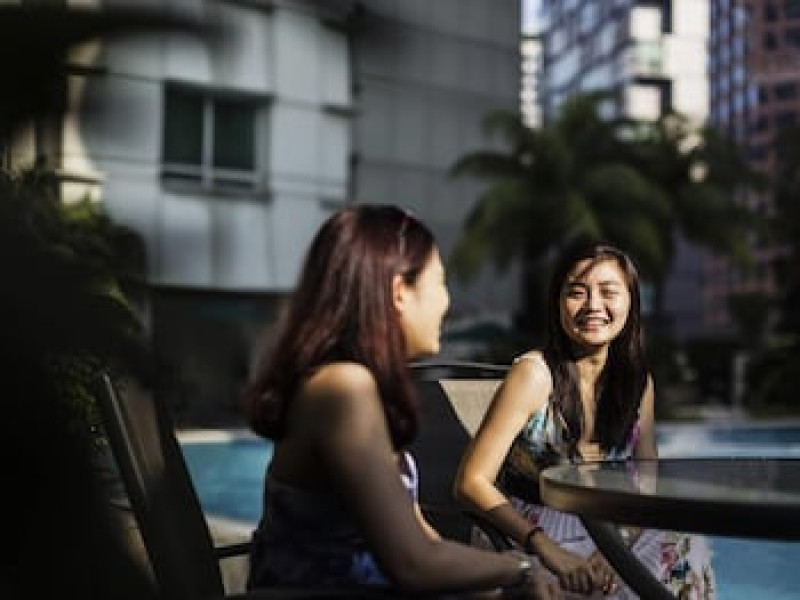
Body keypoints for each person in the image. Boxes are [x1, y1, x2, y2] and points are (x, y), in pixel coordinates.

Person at [243, 204, 559, 599]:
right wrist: (521, 569)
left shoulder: (352, 383)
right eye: (440, 283)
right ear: (399, 293)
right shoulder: (344, 387)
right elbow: (413, 564)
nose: (446, 302)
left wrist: (500, 582)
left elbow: (421, 539)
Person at [454, 239, 716, 599]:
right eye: (577, 292)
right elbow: (470, 482)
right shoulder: (534, 376)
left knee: (684, 537)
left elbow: (648, 477)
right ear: (557, 303)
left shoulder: (637, 382)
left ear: (631, 302)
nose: (593, 305)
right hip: (530, 531)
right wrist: (546, 548)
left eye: (609, 292)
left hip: (609, 525)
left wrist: (616, 548)